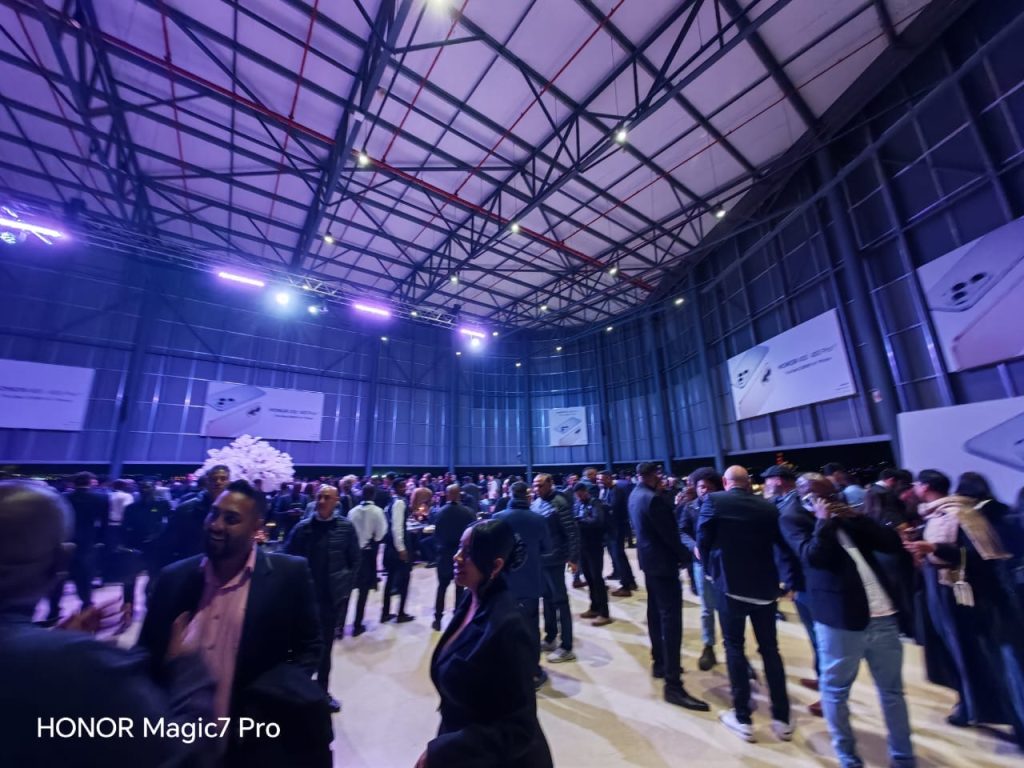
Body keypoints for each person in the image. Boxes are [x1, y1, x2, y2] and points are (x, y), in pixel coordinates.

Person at [0, 480, 218, 767]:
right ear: (62, 560)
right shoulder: (85, 665)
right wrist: (188, 669)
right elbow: (184, 753)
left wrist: (50, 642)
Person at [139, 479, 329, 766]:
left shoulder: (289, 576)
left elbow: (310, 645)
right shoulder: (173, 579)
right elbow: (145, 654)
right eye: (214, 514)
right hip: (179, 743)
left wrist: (276, 693)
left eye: (231, 519)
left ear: (256, 527)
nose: (216, 525)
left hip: (252, 743)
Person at [782, 473, 915, 768]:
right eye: (822, 496)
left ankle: (904, 758)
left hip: (883, 615)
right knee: (835, 692)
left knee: (892, 692)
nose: (830, 501)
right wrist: (823, 522)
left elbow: (890, 543)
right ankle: (848, 758)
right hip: (839, 619)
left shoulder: (847, 516)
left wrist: (858, 517)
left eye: (833, 495)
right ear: (805, 496)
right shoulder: (793, 518)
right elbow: (812, 557)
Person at [416, 519, 553, 768]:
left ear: (496, 565)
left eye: (468, 552)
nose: (457, 557)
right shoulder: (472, 600)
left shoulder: (509, 626)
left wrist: (443, 752)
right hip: (463, 746)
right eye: (459, 547)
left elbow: (518, 728)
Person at [906, 469, 1024, 748]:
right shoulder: (948, 514)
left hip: (976, 600)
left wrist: (934, 548)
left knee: (1002, 663)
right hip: (962, 598)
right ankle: (975, 708)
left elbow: (979, 558)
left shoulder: (963, 515)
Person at [699, 465, 795, 742]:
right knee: (770, 650)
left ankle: (743, 718)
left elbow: (703, 538)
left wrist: (709, 569)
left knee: (734, 648)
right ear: (748, 481)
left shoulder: (714, 501)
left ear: (726, 482)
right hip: (765, 589)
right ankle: (782, 717)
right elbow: (782, 545)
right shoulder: (768, 506)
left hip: (730, 588)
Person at [629, 462, 709, 711]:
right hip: (663, 565)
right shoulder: (653, 499)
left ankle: (660, 662)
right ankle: (673, 685)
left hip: (649, 562)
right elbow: (670, 536)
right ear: (653, 475)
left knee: (655, 613)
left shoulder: (635, 494)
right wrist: (686, 558)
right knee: (671, 620)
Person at [284, 485, 360, 713]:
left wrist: (344, 588)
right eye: (319, 496)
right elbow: (287, 557)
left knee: (326, 649)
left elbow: (355, 561)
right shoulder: (303, 528)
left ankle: (322, 692)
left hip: (330, 599)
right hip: (304, 600)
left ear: (336, 501)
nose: (322, 501)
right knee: (300, 649)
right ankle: (298, 692)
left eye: (327, 497)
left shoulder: (346, 528)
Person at [764, 464, 822, 716]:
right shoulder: (788, 504)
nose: (766, 485)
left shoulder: (793, 508)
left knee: (820, 637)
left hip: (806, 582)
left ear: (778, 480)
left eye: (768, 480)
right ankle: (823, 678)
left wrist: (790, 583)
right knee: (815, 636)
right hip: (802, 581)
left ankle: (830, 693)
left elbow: (795, 551)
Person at [495, 481, 552, 688]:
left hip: (504, 585)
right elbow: (547, 548)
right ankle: (532, 671)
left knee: (505, 628)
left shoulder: (498, 518)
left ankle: (508, 670)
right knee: (531, 628)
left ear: (510, 494)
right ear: (527, 496)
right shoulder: (538, 519)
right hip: (530, 583)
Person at [45, 470, 106, 623]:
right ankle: (86, 609)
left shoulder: (63, 497)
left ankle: (53, 611)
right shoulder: (101, 498)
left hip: (64, 540)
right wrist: (101, 540)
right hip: (87, 542)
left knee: (58, 576)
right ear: (90, 482)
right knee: (84, 578)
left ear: (74, 483)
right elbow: (103, 523)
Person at [531, 472, 579, 663]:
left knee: (560, 601)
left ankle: (566, 646)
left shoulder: (560, 502)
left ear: (550, 484)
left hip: (556, 559)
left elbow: (571, 532)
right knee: (547, 599)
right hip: (541, 560)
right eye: (535, 485)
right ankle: (550, 637)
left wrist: (573, 558)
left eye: (540, 485)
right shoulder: (536, 503)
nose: (537, 489)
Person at [678, 466, 722, 672]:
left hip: (723, 563)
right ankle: (708, 645)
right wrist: (693, 546)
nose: (704, 490)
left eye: (708, 487)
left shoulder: (724, 506)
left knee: (727, 608)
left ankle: (733, 649)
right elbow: (682, 531)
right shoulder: (690, 507)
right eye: (701, 487)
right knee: (706, 608)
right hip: (701, 564)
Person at [121, 481, 171, 628]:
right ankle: (128, 609)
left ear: (154, 489)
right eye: (142, 487)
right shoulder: (131, 507)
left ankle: (151, 609)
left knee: (153, 581)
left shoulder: (163, 504)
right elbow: (125, 528)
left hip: (155, 549)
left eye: (148, 487)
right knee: (129, 581)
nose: (145, 490)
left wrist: (158, 538)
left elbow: (168, 524)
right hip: (135, 549)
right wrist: (125, 547)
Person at [431, 484, 476, 631]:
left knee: (442, 587)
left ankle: (437, 620)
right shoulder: (468, 512)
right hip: (461, 554)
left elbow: (436, 534)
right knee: (460, 588)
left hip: (444, 555)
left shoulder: (439, 512)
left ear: (447, 494)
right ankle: (457, 619)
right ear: (459, 494)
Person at [162, 465, 229, 563]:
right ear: (207, 482)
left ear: (229, 482)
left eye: (223, 479)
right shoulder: (186, 509)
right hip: (193, 564)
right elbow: (169, 542)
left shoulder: (236, 509)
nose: (218, 482)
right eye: (214, 479)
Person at [348, 484, 388, 636]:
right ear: (374, 495)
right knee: (363, 591)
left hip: (352, 554)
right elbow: (381, 534)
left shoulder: (352, 512)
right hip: (367, 554)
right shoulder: (377, 511)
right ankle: (357, 625)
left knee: (346, 591)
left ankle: (339, 625)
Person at [573, 481, 612, 626]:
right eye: (577, 496)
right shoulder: (579, 504)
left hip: (594, 546)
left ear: (585, 492)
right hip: (583, 546)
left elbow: (598, 520)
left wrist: (581, 521)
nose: (579, 497)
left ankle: (604, 613)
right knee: (589, 578)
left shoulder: (595, 503)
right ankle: (594, 607)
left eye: (580, 494)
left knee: (597, 579)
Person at [599, 470, 637, 596]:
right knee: (617, 555)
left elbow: (613, 507)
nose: (599, 482)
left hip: (617, 527)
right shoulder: (606, 490)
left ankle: (626, 585)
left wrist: (600, 505)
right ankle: (628, 580)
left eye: (602, 479)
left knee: (619, 556)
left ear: (609, 478)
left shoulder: (617, 490)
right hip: (610, 528)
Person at [382, 477, 414, 623]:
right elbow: (397, 527)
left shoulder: (391, 502)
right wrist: (401, 548)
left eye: (404, 486)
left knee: (390, 580)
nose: (404, 489)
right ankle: (400, 613)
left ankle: (385, 613)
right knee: (404, 580)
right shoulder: (399, 503)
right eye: (401, 487)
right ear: (395, 488)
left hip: (390, 546)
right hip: (398, 546)